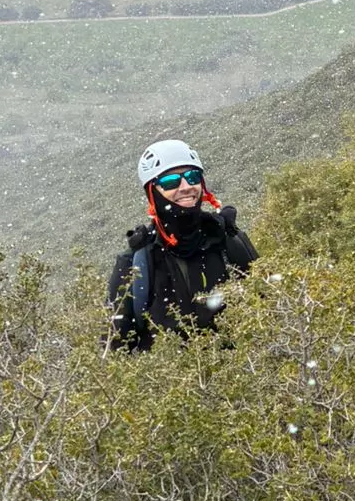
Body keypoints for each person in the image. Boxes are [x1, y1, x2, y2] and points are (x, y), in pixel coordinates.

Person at [107, 139, 257, 351]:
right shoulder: (136, 262)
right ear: (152, 192)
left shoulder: (228, 240)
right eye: (171, 182)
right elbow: (115, 348)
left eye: (192, 177)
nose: (186, 187)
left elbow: (270, 306)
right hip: (169, 373)